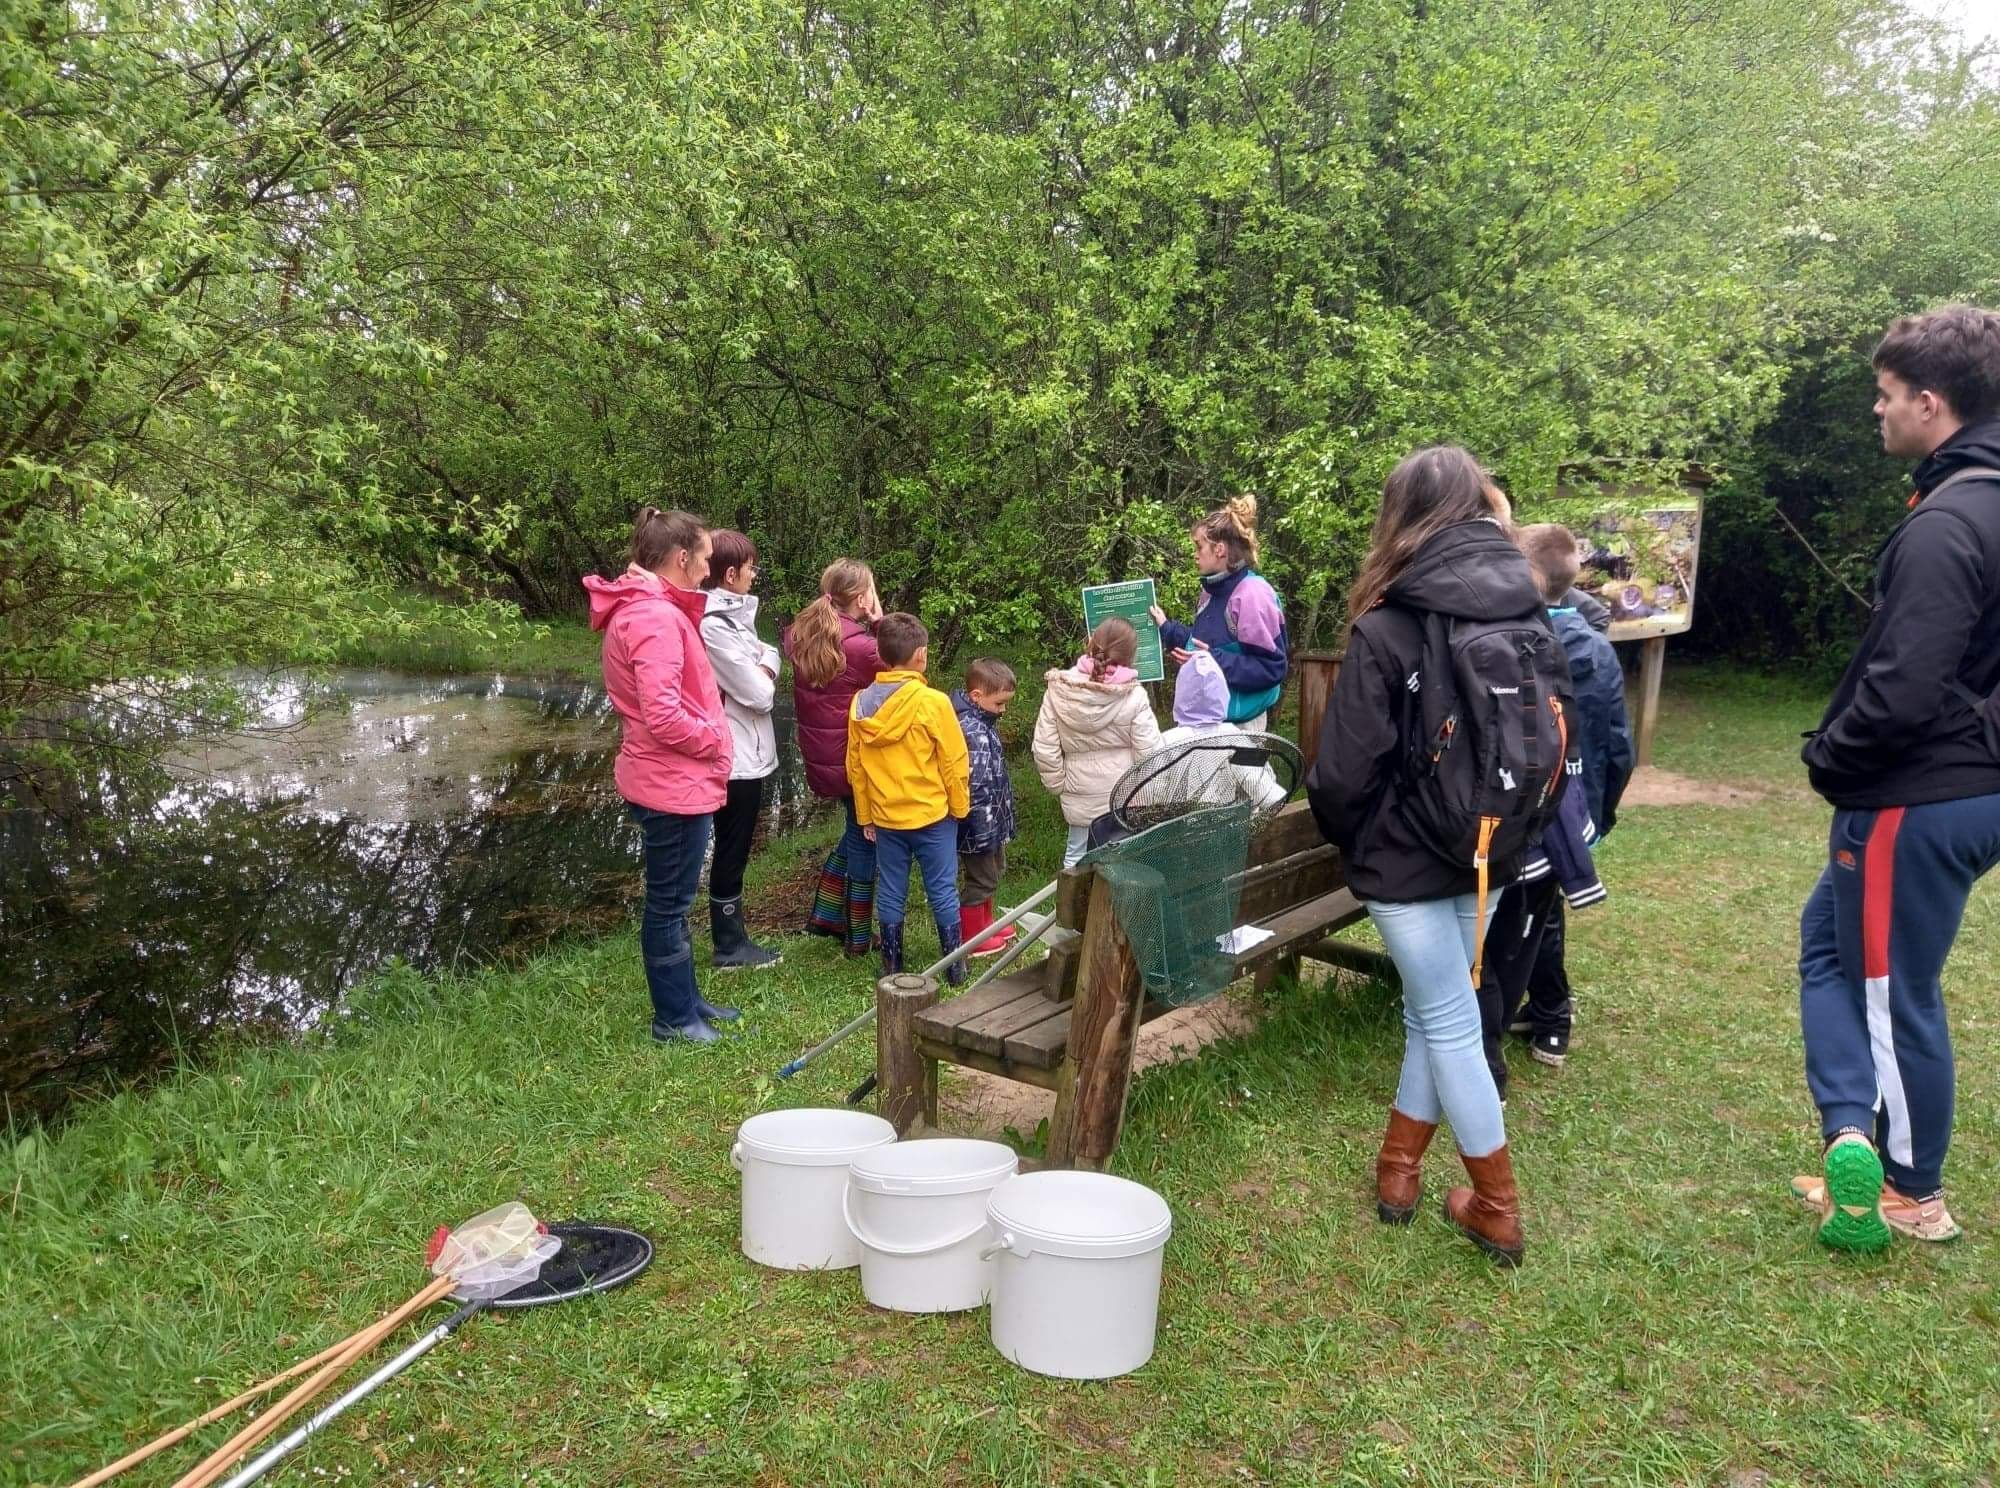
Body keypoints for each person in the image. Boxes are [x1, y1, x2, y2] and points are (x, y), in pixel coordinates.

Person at [1305, 445, 1562, 1266]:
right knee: (1434, 1008)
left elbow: (1340, 775)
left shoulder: (1388, 624)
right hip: (1489, 843)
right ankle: (1398, 1173)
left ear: (1401, 517)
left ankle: (1497, 1206)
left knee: (1447, 1016)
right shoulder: (1527, 609)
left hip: (1407, 856)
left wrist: (1364, 840)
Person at [1791, 304, 2000, 1252]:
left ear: (1930, 401)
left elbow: (1902, 685)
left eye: (1883, 397)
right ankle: (1852, 1138)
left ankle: (1912, 1192)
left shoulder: (1948, 524)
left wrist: (1832, 757)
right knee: (1830, 944)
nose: (1876, 413)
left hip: (1919, 793)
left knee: (1887, 985)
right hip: (1964, 784)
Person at [1477, 523, 1634, 1085]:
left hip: (1525, 821)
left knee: (1501, 942)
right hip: (1570, 818)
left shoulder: (1516, 646)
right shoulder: (1597, 649)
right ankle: (1549, 1019)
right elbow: (1620, 745)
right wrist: (1598, 814)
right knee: (1537, 922)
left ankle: (1493, 1053)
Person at [583, 507, 738, 1045]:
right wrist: (717, 739)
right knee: (668, 903)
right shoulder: (652, 618)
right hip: (670, 784)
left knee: (675, 901)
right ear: (680, 557)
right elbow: (663, 714)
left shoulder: (655, 610)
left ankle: (688, 1001)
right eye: (704, 558)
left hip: (672, 778)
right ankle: (673, 1020)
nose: (707, 569)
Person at [847, 613, 971, 981]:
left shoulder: (861, 705)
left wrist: (865, 816)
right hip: (933, 816)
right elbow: (954, 760)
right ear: (922, 655)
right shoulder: (934, 702)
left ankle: (892, 965)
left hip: (886, 819)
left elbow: (857, 768)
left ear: (882, 656)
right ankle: (954, 969)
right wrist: (959, 806)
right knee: (943, 889)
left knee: (890, 890)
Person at [786, 558, 883, 958]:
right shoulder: (861, 646)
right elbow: (904, 672)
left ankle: (827, 913)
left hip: (822, 755)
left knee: (854, 827)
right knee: (866, 838)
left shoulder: (800, 633)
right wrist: (880, 623)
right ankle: (858, 937)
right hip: (855, 760)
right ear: (862, 598)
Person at [698, 530, 783, 972]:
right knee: (731, 849)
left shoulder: (735, 620)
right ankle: (729, 946)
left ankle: (733, 939)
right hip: (734, 760)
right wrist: (767, 666)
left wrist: (764, 660)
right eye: (751, 568)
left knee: (737, 846)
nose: (755, 575)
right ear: (730, 574)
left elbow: (766, 651)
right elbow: (760, 693)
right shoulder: (713, 626)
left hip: (749, 752)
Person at [1032, 617, 1164, 867]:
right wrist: (1146, 793)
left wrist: (1058, 784)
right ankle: (1121, 907)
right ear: (1131, 654)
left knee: (1075, 857)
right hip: (1125, 797)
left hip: (1079, 792)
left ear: (1091, 642)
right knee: (1127, 862)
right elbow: (1150, 754)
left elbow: (1044, 747)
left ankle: (1070, 906)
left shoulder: (1060, 688)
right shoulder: (1134, 695)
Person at [1149, 495, 1288, 728]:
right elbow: (1203, 645)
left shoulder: (1253, 594)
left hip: (1243, 724)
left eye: (1199, 546)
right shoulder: (1210, 593)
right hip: (1212, 721)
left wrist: (1214, 660)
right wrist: (1167, 628)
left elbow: (1271, 668)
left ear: (1220, 549)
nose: (1195, 554)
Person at [1143, 650, 1287, 811]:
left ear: (1181, 693)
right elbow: (1266, 792)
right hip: (1226, 829)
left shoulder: (1166, 742)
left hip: (1179, 831)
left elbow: (1151, 795)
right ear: (1222, 693)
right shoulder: (1235, 736)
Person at [952, 659, 1020, 958]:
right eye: (999, 703)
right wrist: (982, 829)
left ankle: (987, 924)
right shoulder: (972, 730)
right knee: (982, 878)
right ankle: (972, 936)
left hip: (992, 821)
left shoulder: (985, 723)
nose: (1003, 710)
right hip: (978, 826)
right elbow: (975, 787)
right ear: (977, 696)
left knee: (996, 870)